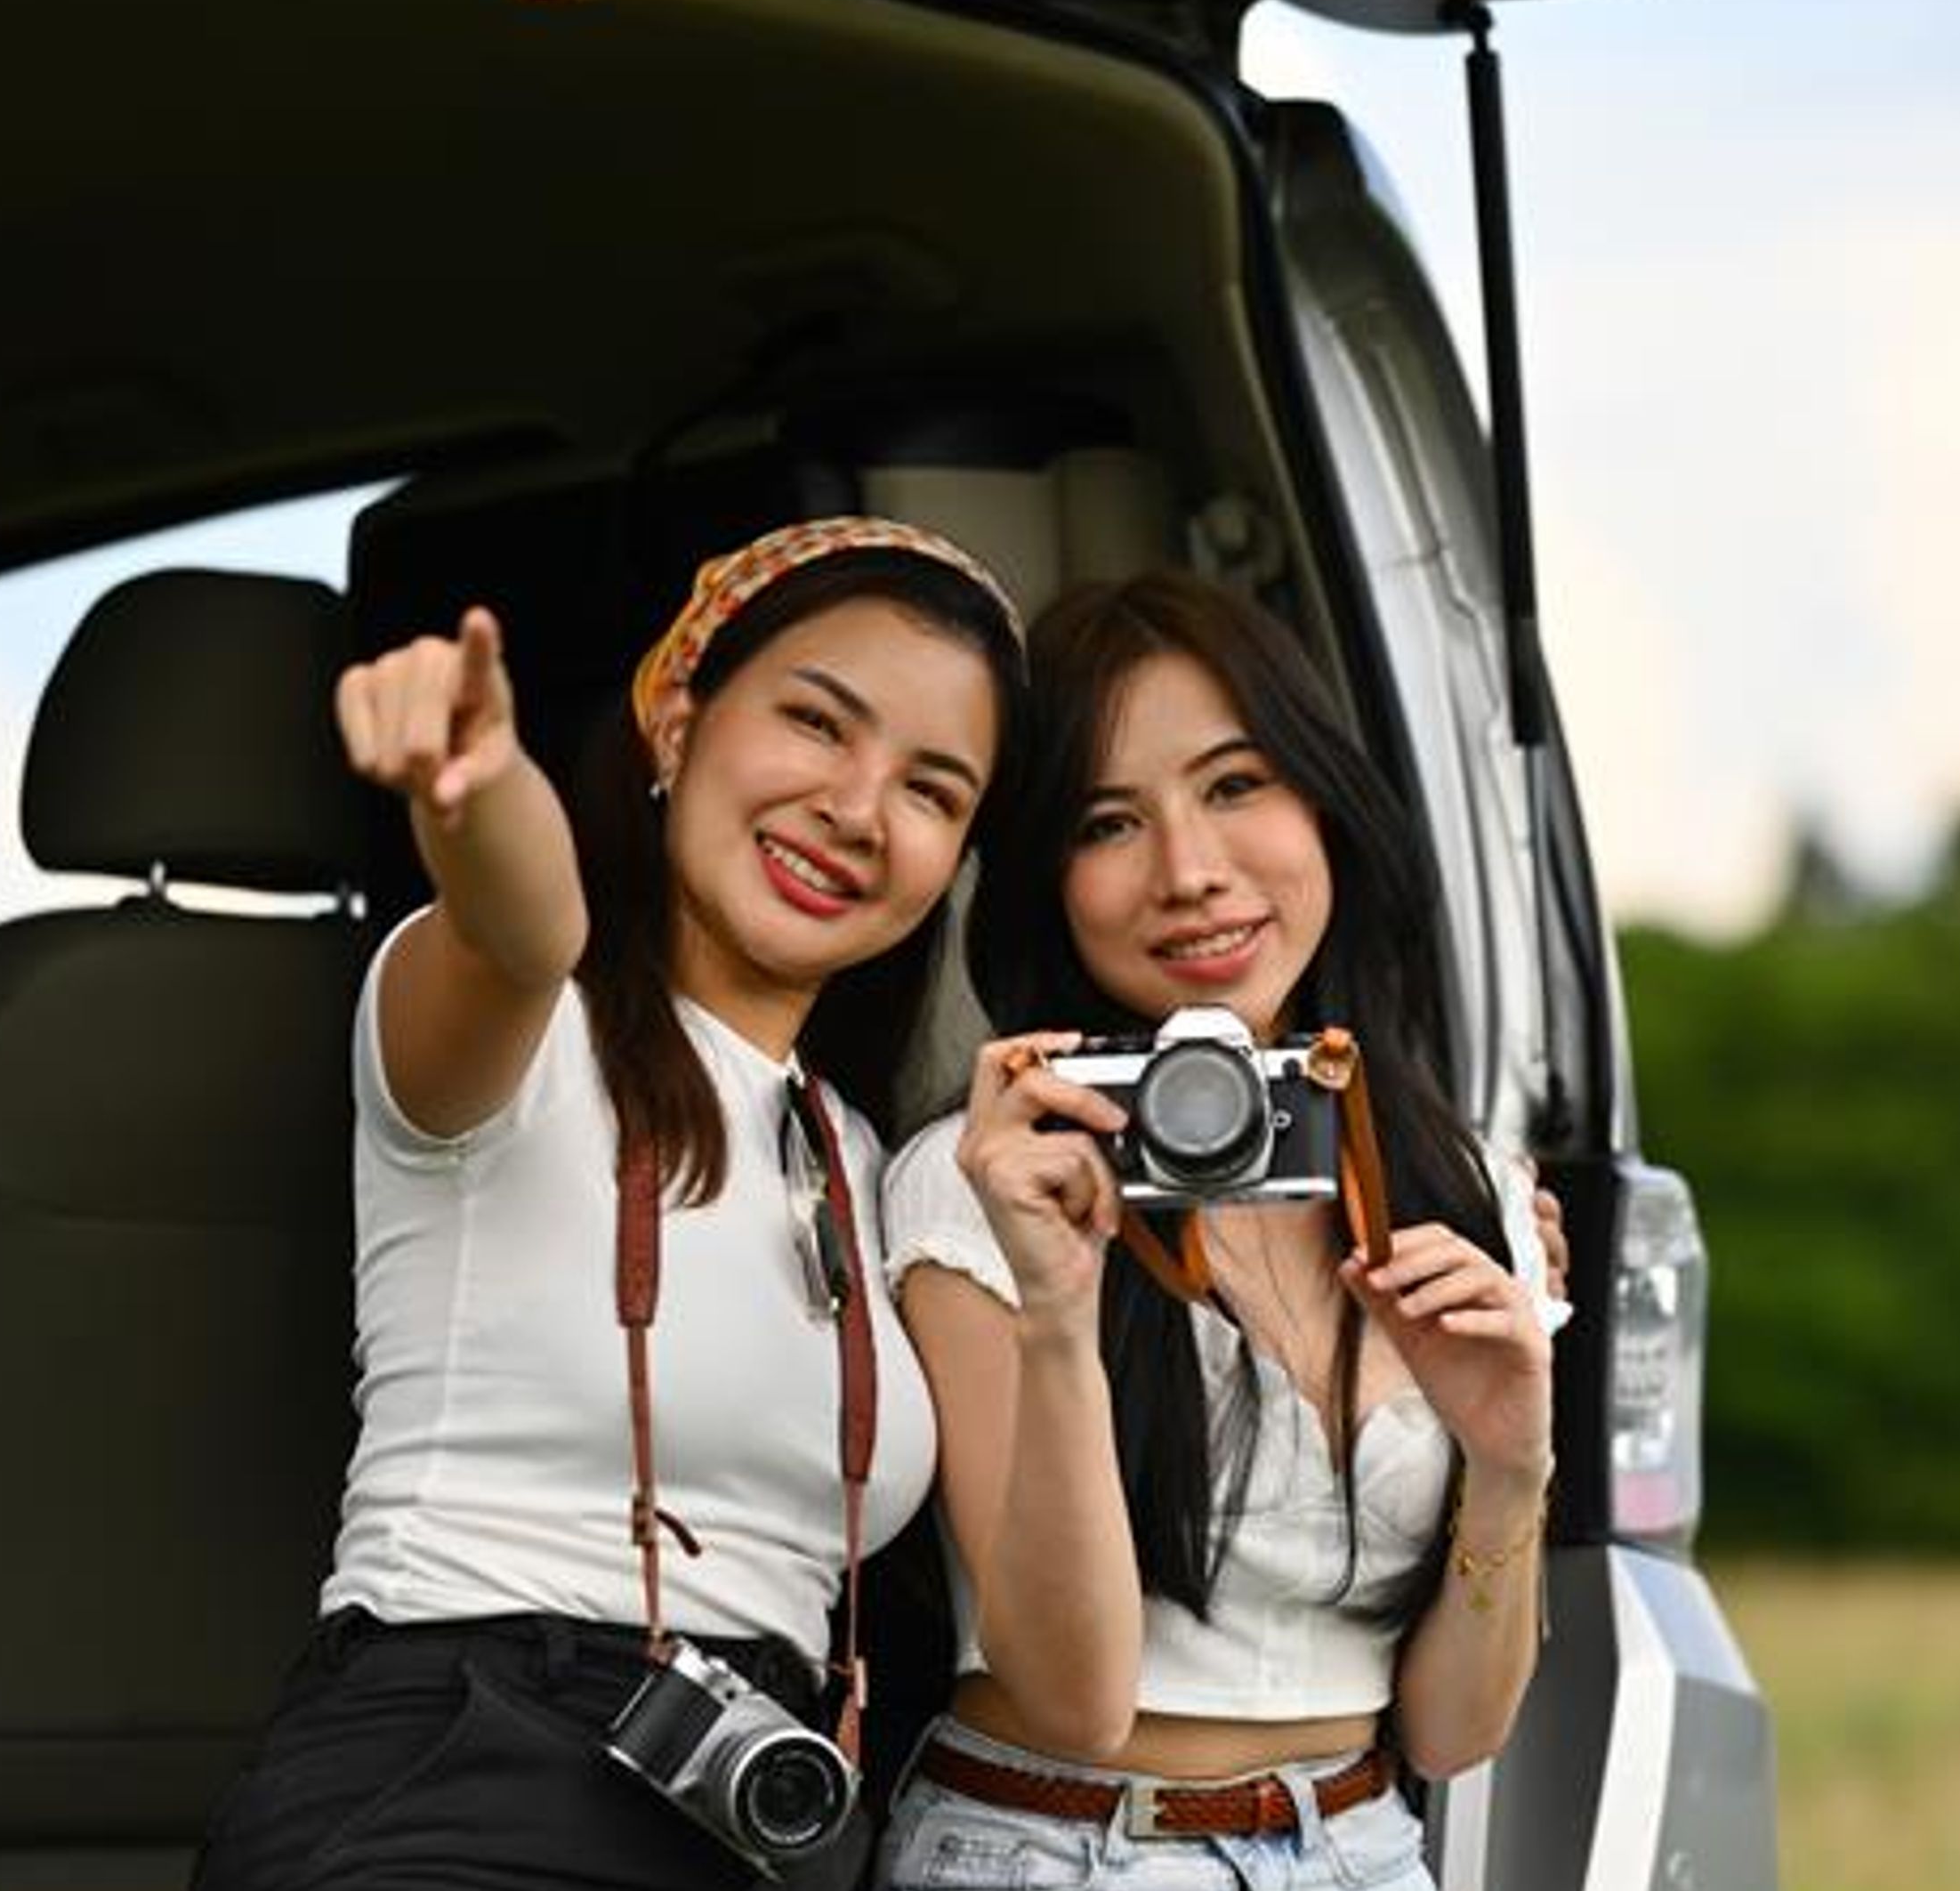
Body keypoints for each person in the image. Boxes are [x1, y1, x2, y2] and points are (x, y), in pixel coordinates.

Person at [192, 516, 1026, 1891]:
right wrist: (479, 787)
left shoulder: (866, 1156)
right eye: (817, 723)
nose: (860, 809)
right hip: (464, 1768)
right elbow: (523, 924)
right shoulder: (513, 1029)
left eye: (933, 792)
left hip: (761, 1802)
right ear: (675, 719)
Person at [874, 571, 1564, 1891]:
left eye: (1237, 785)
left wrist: (1513, 1464)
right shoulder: (985, 1183)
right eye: (1109, 821)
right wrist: (1061, 1307)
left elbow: (1454, 1730)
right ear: (1046, 884)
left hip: (1365, 1847)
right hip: (1056, 1848)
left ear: (1326, 806)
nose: (1190, 873)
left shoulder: (1466, 1184)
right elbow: (1074, 1701)